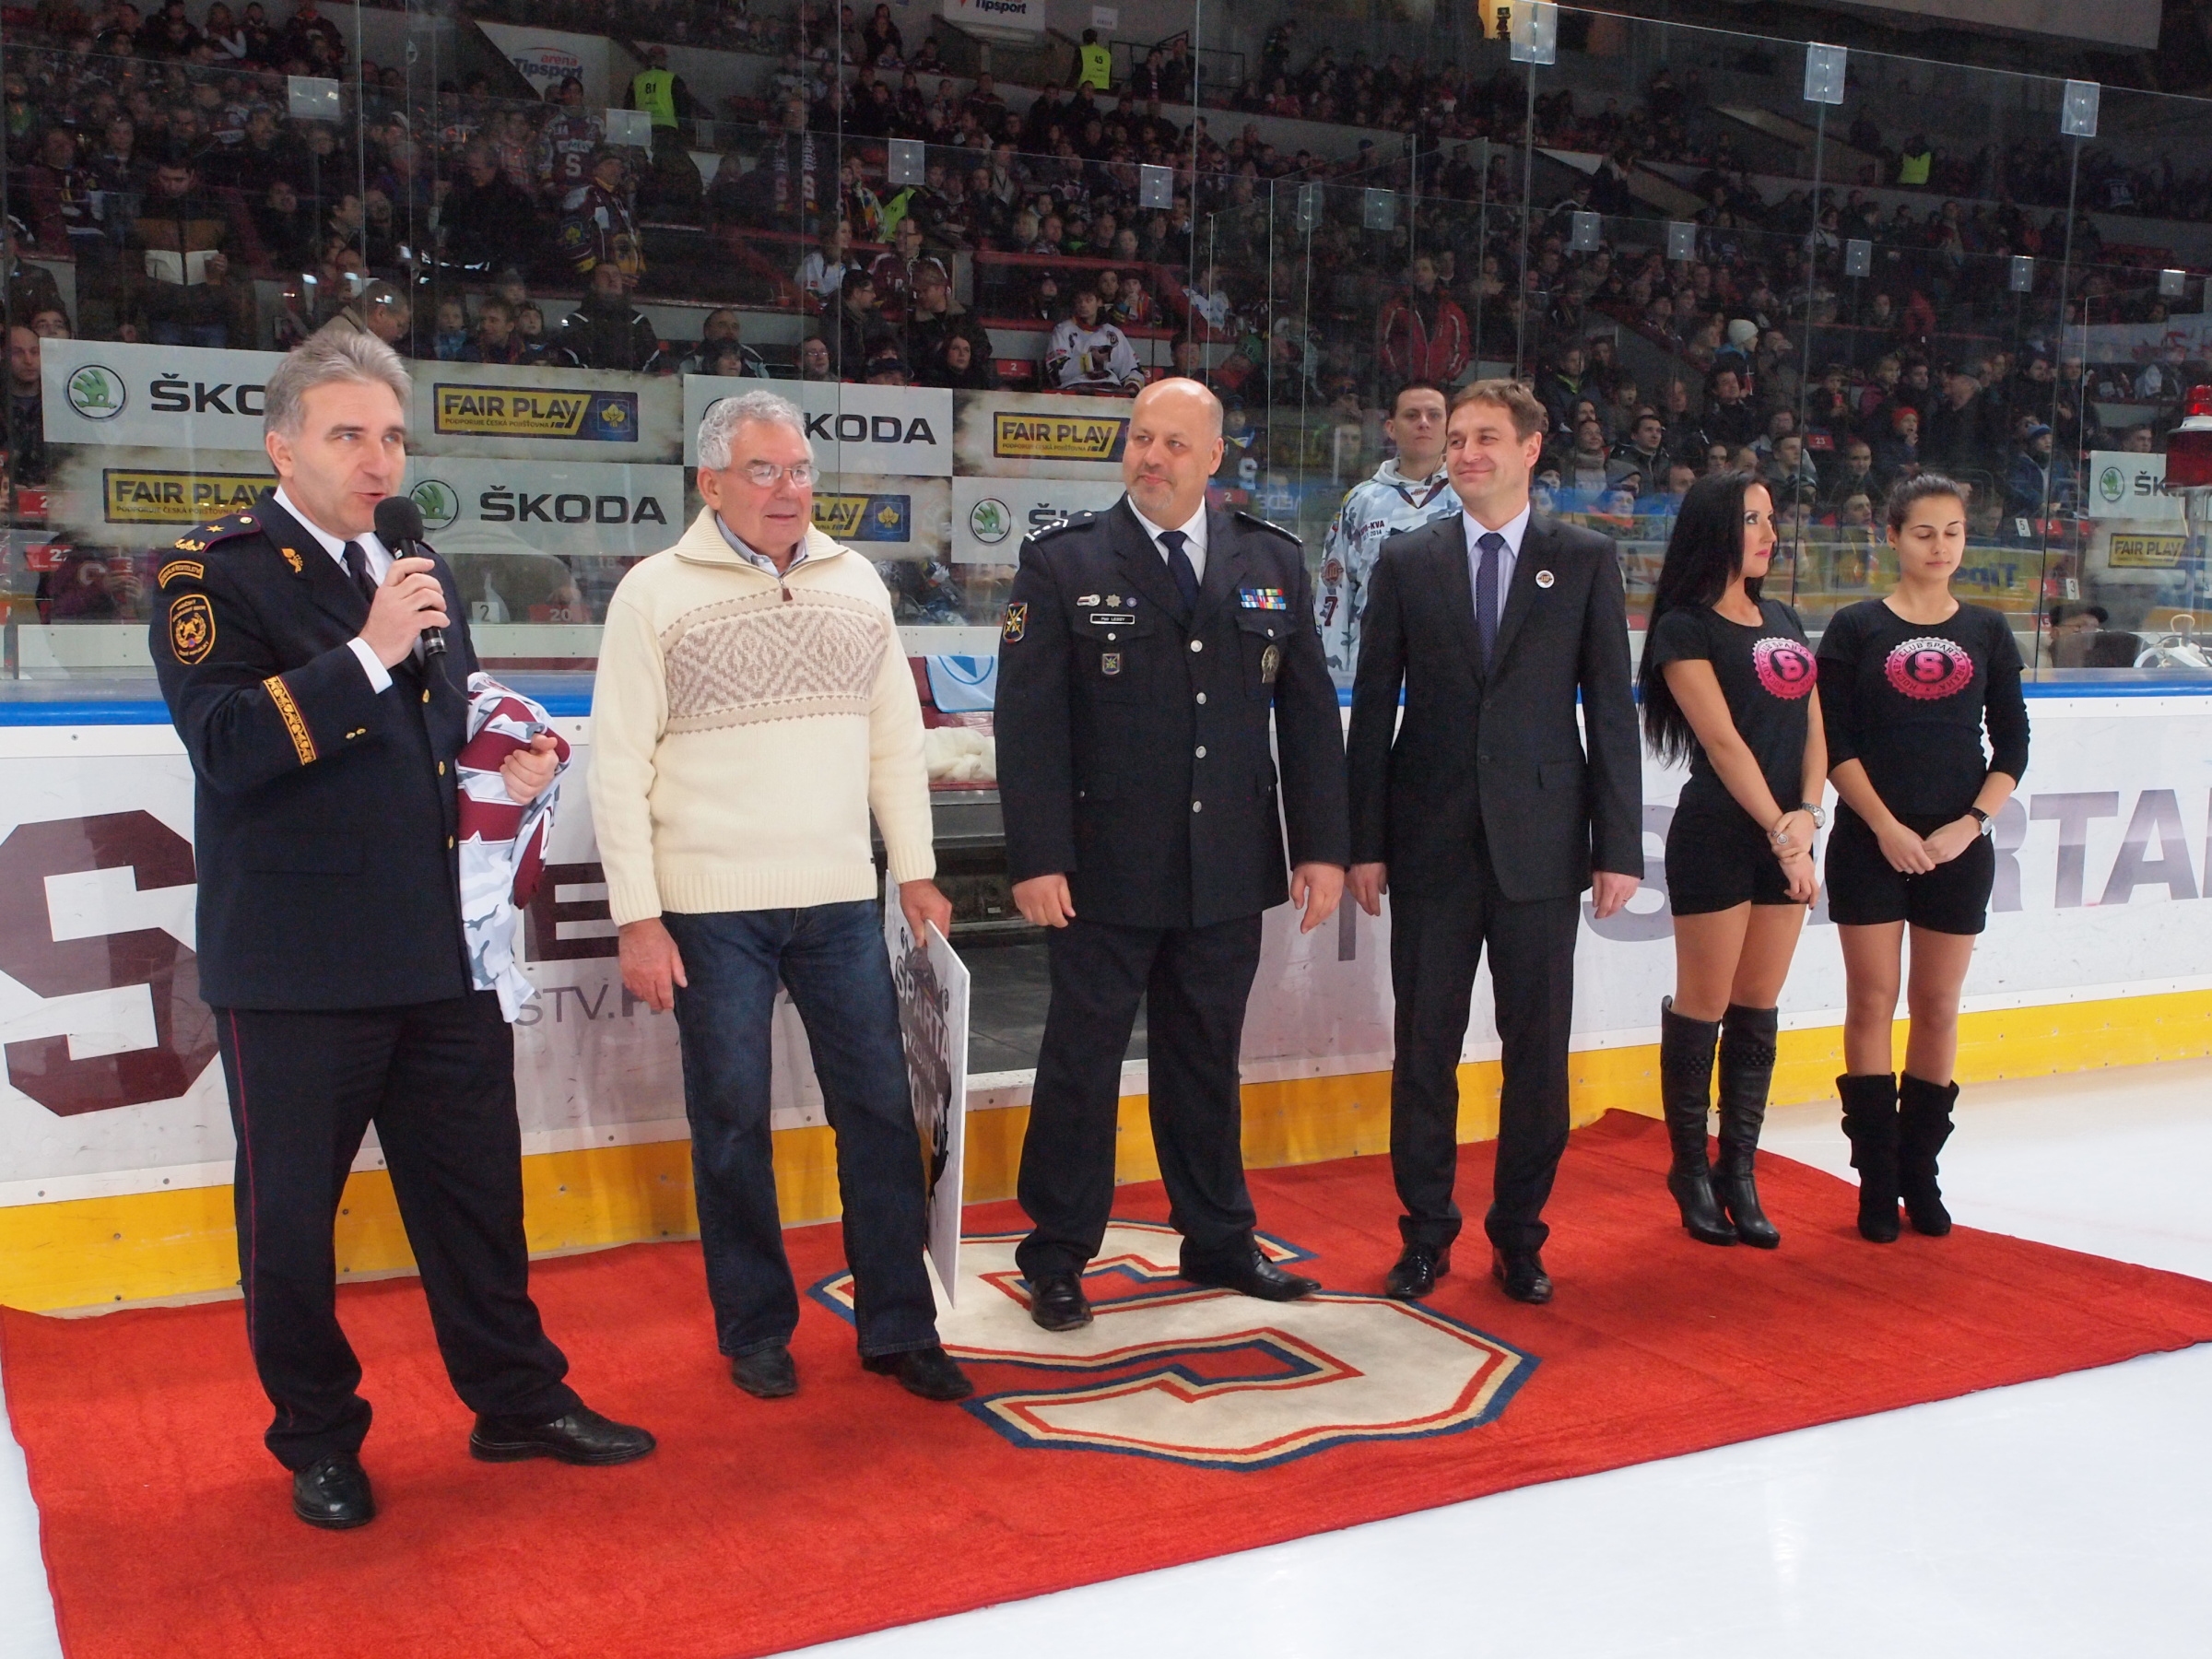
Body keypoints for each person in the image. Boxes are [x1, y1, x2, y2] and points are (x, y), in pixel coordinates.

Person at [148, 331, 653, 1532]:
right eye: (347, 435)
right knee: (290, 1227)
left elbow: (440, 724)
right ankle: (318, 1440)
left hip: (438, 953)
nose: (378, 459)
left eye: (390, 436)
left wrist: (506, 766)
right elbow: (226, 746)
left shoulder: (414, 560)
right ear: (282, 448)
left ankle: (515, 1400)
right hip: (298, 968)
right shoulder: (210, 572)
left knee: (475, 1200)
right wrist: (367, 651)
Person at [590, 390, 971, 1406]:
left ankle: (899, 1326)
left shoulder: (859, 583)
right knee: (731, 1125)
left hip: (842, 900)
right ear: (711, 483)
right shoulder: (652, 594)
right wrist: (637, 917)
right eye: (763, 471)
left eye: (799, 470)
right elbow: (616, 767)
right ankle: (756, 1329)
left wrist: (916, 869)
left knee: (880, 1113)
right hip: (708, 910)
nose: (788, 489)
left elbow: (895, 740)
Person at [994, 378, 1350, 1333]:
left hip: (1227, 863)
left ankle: (1219, 1238)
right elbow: (1027, 724)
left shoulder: (1271, 559)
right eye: (1140, 439)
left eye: (1174, 444)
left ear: (1215, 458)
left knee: (1206, 1060)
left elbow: (1308, 715)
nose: (1152, 458)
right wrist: (1037, 856)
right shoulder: (1065, 561)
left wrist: (1322, 846)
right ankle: (1057, 1254)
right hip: (1101, 869)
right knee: (1082, 1065)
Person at [1345, 379, 1642, 1306]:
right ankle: (1425, 1234)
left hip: (1541, 847)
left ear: (1530, 449)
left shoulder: (1584, 559)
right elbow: (1373, 708)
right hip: (1428, 842)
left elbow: (1611, 711)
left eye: (1485, 437)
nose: (1467, 452)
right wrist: (1364, 841)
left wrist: (1619, 846)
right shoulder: (1407, 558)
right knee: (1423, 1050)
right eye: (1457, 439)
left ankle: (1520, 1234)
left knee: (1537, 1055)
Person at [1818, 475, 2029, 1243]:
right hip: (1869, 842)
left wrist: (1971, 824)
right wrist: (1884, 826)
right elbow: (1834, 742)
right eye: (1924, 533)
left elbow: (2013, 745)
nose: (1941, 547)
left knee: (1937, 1005)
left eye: (1953, 532)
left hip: (1957, 846)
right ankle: (1877, 1177)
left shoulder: (1988, 629)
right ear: (1893, 538)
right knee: (1872, 1000)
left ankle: (1921, 1170)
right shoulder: (1855, 627)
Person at [1638, 473, 1828, 1249]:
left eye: (1771, 519)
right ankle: (1689, 1169)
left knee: (1758, 1005)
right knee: (1705, 1004)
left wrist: (1808, 817)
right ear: (1716, 528)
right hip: (1720, 832)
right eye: (1753, 519)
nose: (1769, 534)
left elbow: (1816, 727)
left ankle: (1738, 1170)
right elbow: (1722, 743)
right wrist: (1785, 833)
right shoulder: (1684, 628)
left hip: (1789, 834)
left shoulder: (1783, 617)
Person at [1316, 380, 1459, 684]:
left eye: (1434, 415)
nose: (1423, 423)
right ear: (1391, 428)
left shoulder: (1471, 497)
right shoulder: (1361, 500)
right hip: (1373, 668)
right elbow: (1335, 588)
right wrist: (1334, 673)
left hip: (1452, 671)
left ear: (1450, 426)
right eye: (1412, 415)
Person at [549, 262, 665, 372]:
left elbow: (652, 366)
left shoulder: (638, 321)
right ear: (593, 285)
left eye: (616, 275)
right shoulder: (578, 320)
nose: (612, 279)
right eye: (604, 275)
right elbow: (571, 364)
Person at [1045, 287, 1145, 394]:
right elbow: (1056, 372)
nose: (1083, 305)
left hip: (1110, 392)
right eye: (1079, 301)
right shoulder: (1063, 330)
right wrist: (1090, 360)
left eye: (1088, 300)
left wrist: (1131, 387)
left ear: (1099, 302)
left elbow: (1132, 368)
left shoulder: (1113, 333)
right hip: (1075, 392)